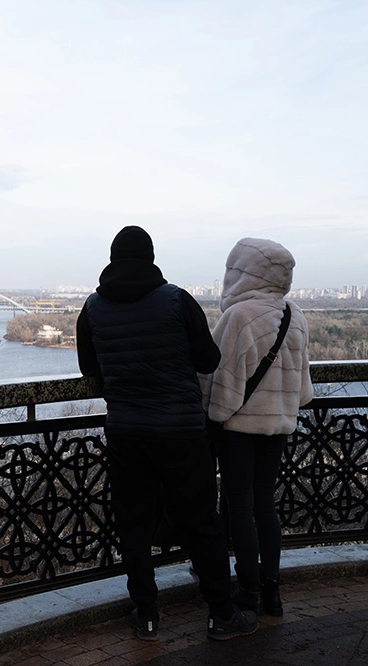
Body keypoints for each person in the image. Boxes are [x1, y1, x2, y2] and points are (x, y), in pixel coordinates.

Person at [77, 225, 258, 642]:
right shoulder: (177, 299)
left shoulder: (92, 307)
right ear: (151, 257)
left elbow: (91, 369)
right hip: (180, 431)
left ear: (112, 259)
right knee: (201, 521)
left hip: (126, 432)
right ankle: (221, 613)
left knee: (134, 522)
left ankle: (147, 614)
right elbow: (208, 360)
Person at [203, 238, 313, 617]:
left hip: (239, 431)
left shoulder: (239, 316)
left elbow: (220, 383)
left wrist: (214, 419)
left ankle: (247, 588)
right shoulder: (294, 316)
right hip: (279, 427)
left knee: (240, 506)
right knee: (265, 505)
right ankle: (272, 590)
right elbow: (303, 390)